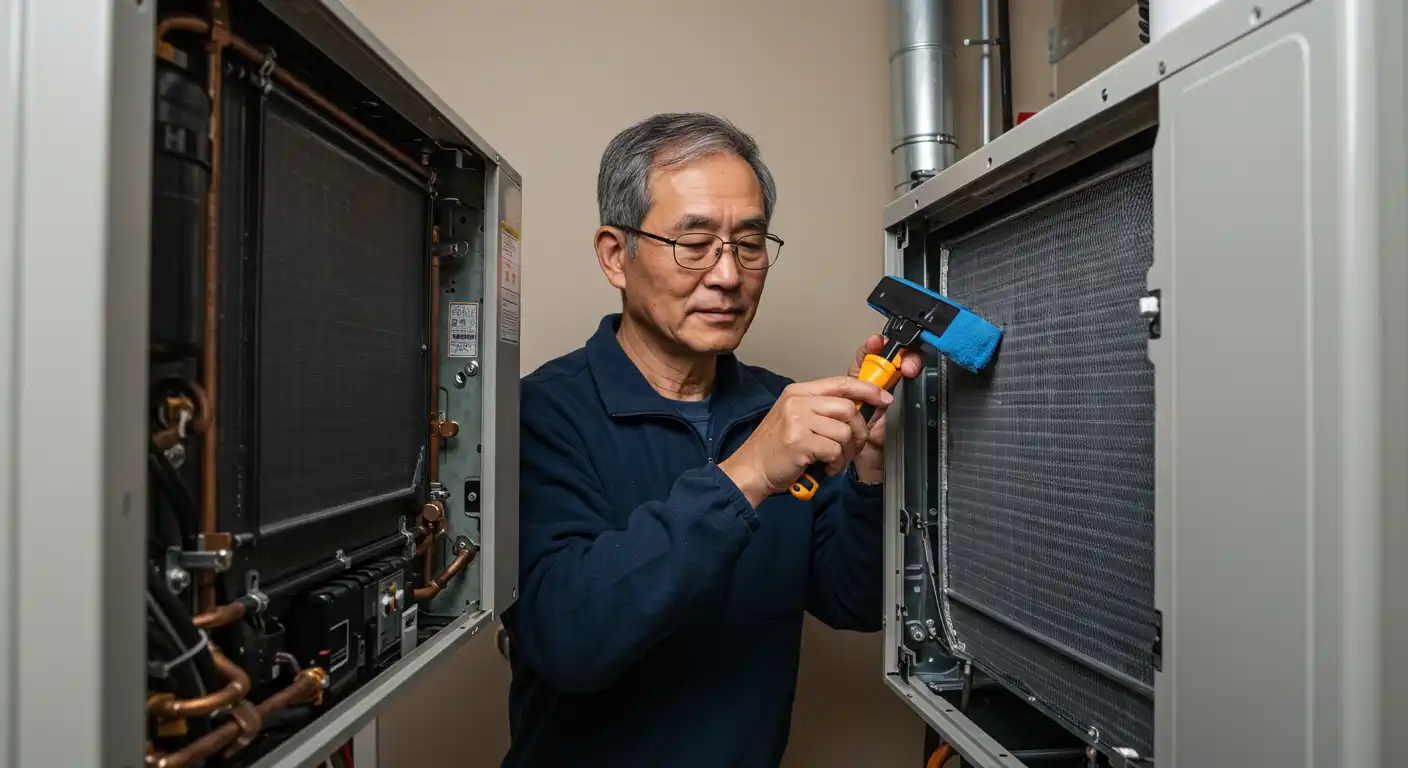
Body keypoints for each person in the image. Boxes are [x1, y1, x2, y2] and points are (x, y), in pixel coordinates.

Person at [500, 112, 926, 768]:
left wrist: (870, 468)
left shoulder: (776, 406)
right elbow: (567, 642)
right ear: (617, 255)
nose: (728, 276)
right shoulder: (540, 415)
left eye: (749, 244)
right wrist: (748, 474)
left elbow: (855, 602)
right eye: (694, 243)